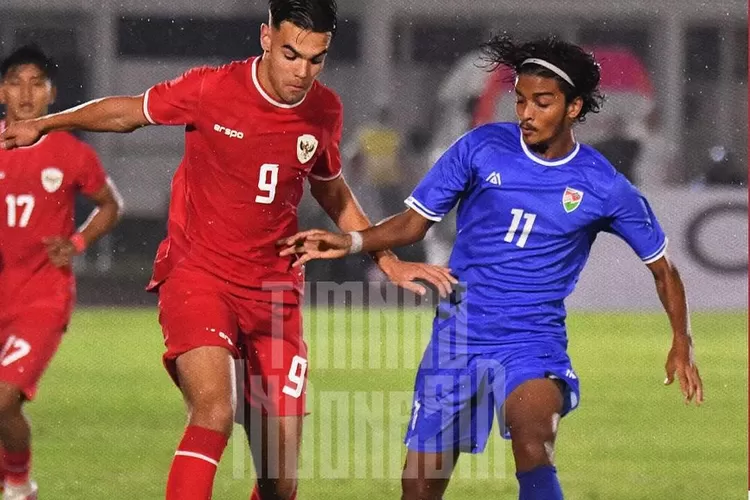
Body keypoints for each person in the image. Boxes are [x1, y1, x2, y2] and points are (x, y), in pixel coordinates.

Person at [0, 3, 455, 499]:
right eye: (291, 55)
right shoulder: (212, 89)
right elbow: (129, 111)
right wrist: (47, 124)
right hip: (199, 275)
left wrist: (384, 258)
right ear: (265, 37)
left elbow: (332, 189)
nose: (302, 72)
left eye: (316, 59)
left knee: (279, 481)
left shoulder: (324, 110)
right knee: (214, 410)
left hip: (275, 293)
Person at [279, 35, 704, 500]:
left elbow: (663, 268)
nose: (525, 113)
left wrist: (681, 341)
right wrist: (352, 239)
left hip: (532, 342)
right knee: (418, 489)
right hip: (457, 338)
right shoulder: (481, 147)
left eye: (542, 103)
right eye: (519, 100)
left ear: (574, 107)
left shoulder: (603, 184)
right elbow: (413, 224)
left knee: (532, 435)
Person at [0, 45, 123, 500]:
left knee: (4, 399)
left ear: (51, 93)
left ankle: (19, 484)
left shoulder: (72, 153)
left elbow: (111, 205)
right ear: (1, 91)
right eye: (16, 81)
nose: (26, 93)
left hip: (43, 298)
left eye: (37, 83)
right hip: (3, 289)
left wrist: (77, 244)